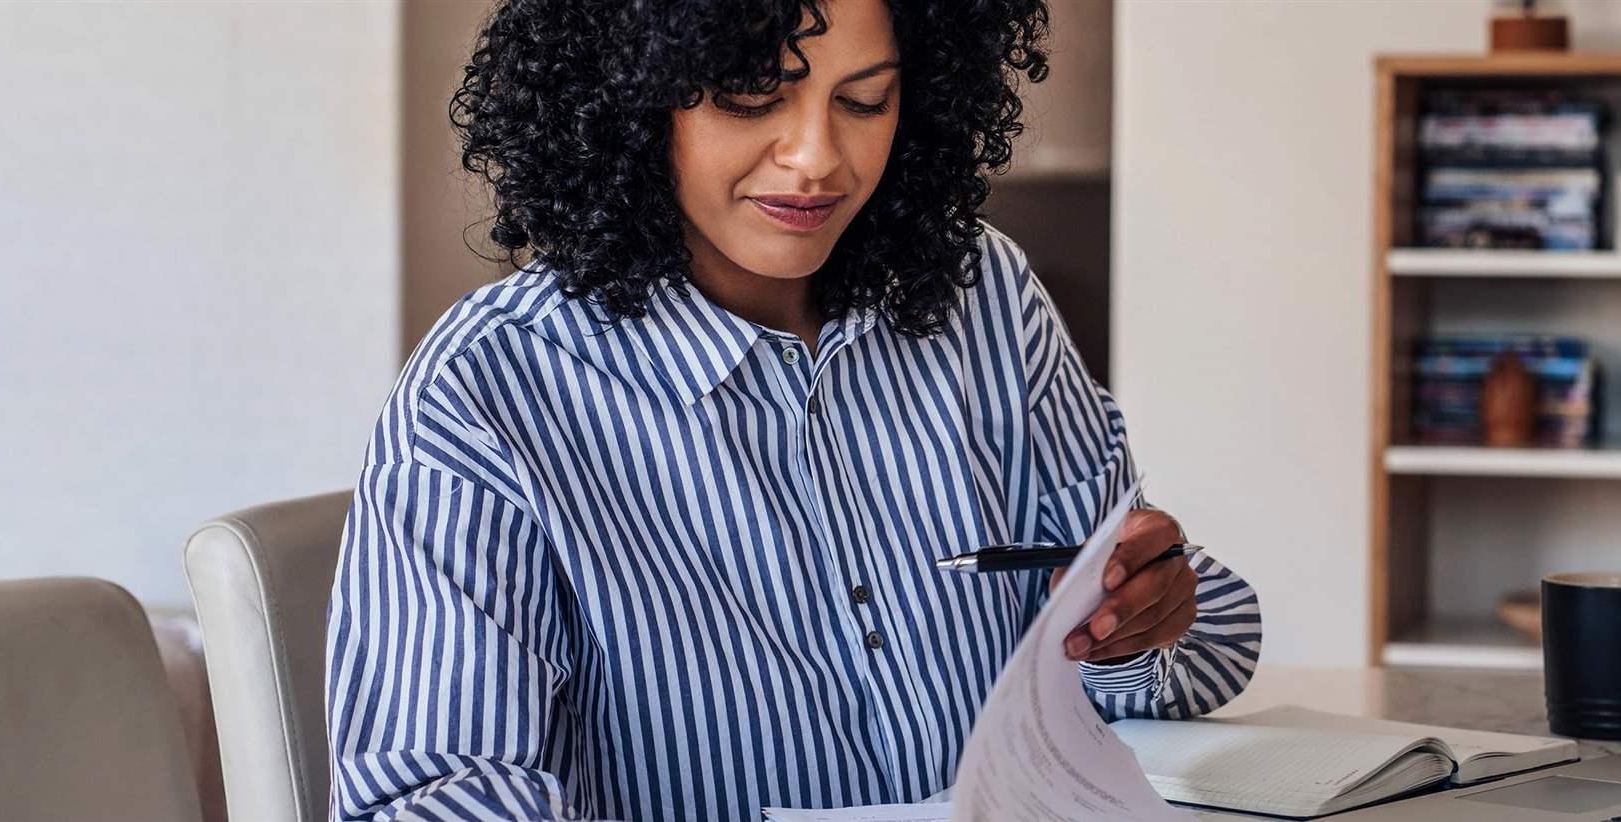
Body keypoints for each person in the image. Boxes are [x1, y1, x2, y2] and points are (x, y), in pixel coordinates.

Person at [323, 0, 1262, 818]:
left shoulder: (986, 298)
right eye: (750, 96)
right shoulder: (490, 391)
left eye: (864, 101)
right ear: (632, 98)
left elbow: (1196, 654)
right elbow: (431, 795)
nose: (817, 158)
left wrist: (1141, 624)